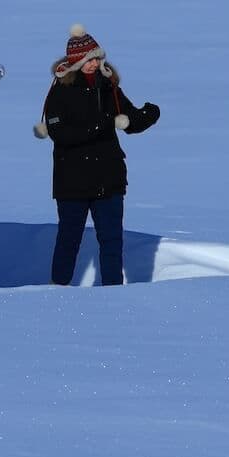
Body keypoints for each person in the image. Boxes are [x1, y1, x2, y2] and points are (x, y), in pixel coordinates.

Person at [33, 23, 160, 285]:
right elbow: (62, 133)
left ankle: (113, 295)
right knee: (69, 240)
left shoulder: (108, 87)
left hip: (108, 179)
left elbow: (128, 120)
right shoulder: (60, 92)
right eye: (89, 59)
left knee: (112, 242)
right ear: (76, 62)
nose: (94, 64)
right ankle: (58, 291)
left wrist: (148, 115)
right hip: (72, 182)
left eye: (97, 58)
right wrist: (103, 124)